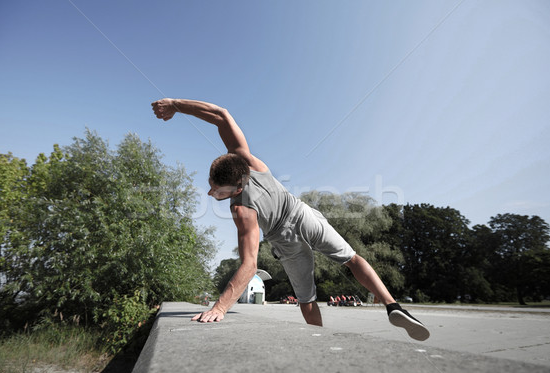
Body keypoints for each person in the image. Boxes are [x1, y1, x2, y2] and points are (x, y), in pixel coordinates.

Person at [151, 98, 430, 341]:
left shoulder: (242, 210)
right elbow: (222, 114)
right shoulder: (247, 161)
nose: (210, 192)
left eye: (217, 190)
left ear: (236, 189)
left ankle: (322, 342)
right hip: (302, 214)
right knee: (352, 259)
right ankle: (393, 306)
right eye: (211, 184)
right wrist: (176, 104)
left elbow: (250, 265)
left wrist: (220, 307)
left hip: (285, 241)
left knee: (307, 300)